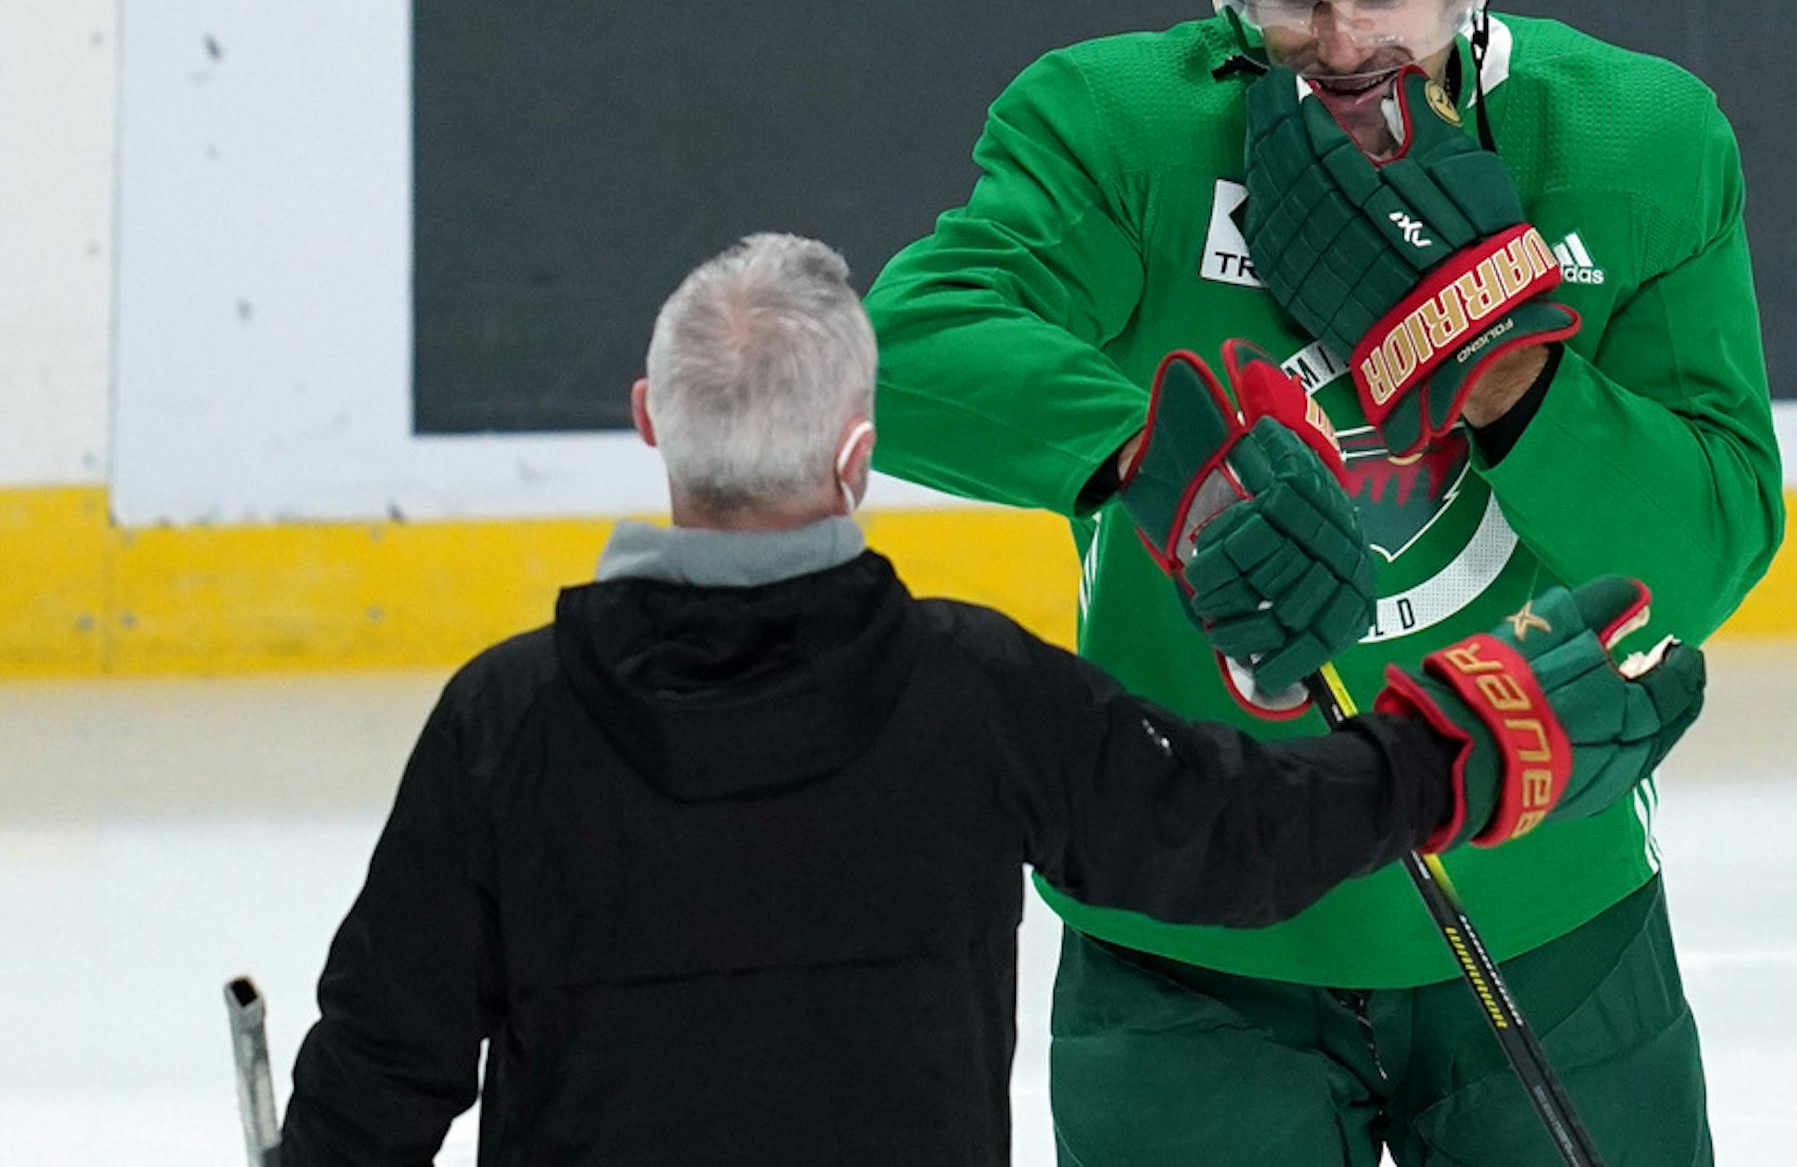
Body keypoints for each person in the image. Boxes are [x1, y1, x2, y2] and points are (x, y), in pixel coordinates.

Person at [275, 232, 1707, 1165]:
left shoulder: (504, 722)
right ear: (857, 453)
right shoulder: (969, 692)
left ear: (650, 421)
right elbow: (1234, 832)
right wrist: (1440, 751)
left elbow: (380, 1067)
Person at [864, 0, 1783, 1166]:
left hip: (1549, 900)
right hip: (1188, 934)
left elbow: (1708, 551)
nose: (1341, 44)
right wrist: (1158, 456)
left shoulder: (1636, 142)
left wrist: (1505, 369)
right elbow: (908, 343)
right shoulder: (1122, 130)